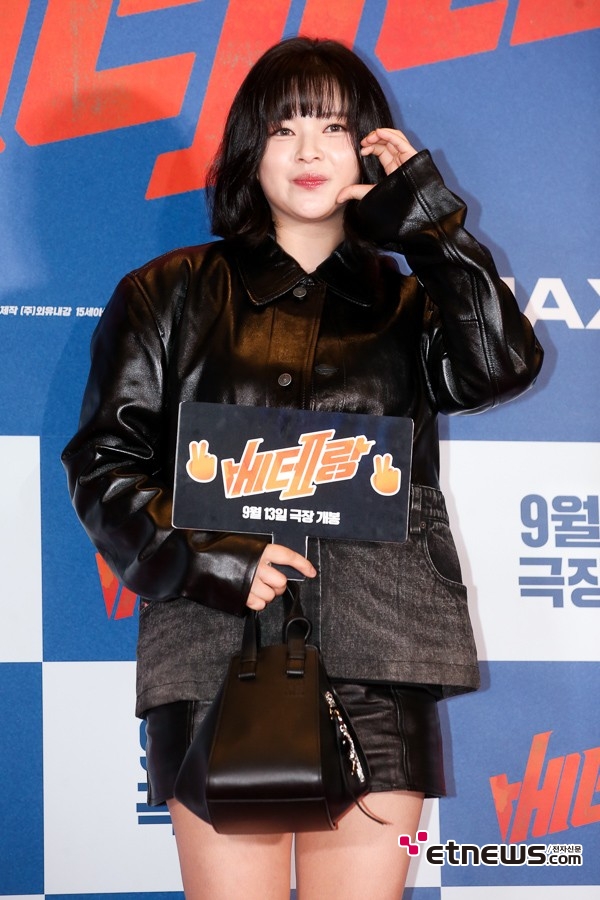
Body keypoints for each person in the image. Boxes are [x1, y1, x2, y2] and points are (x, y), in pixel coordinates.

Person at [62, 37, 543, 900]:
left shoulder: (411, 302)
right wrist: (212, 560)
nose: (310, 150)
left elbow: (500, 366)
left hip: (381, 652)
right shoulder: (166, 293)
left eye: (334, 127)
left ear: (368, 150)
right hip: (213, 645)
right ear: (252, 150)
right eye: (285, 129)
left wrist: (429, 223)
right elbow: (103, 465)